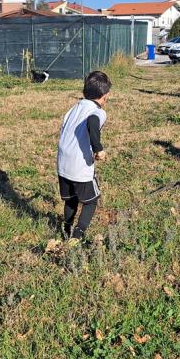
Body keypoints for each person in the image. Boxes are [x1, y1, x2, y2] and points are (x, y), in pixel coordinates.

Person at [57, 71, 111, 242]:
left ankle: (66, 230)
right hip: (79, 166)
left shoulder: (73, 108)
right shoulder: (97, 111)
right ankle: (77, 237)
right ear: (105, 97)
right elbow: (92, 122)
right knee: (91, 201)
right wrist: (98, 149)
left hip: (63, 163)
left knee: (71, 200)